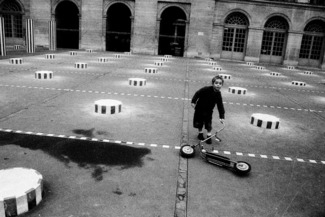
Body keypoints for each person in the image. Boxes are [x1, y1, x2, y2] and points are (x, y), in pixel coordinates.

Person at [191, 75, 225, 144]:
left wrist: (221, 116)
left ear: (222, 85)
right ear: (213, 84)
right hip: (199, 109)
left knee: (208, 124)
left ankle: (208, 135)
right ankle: (200, 134)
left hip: (208, 111)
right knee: (199, 122)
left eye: (220, 83)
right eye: (216, 83)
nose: (218, 85)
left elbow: (220, 105)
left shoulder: (218, 94)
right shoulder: (206, 89)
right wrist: (193, 101)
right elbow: (197, 93)